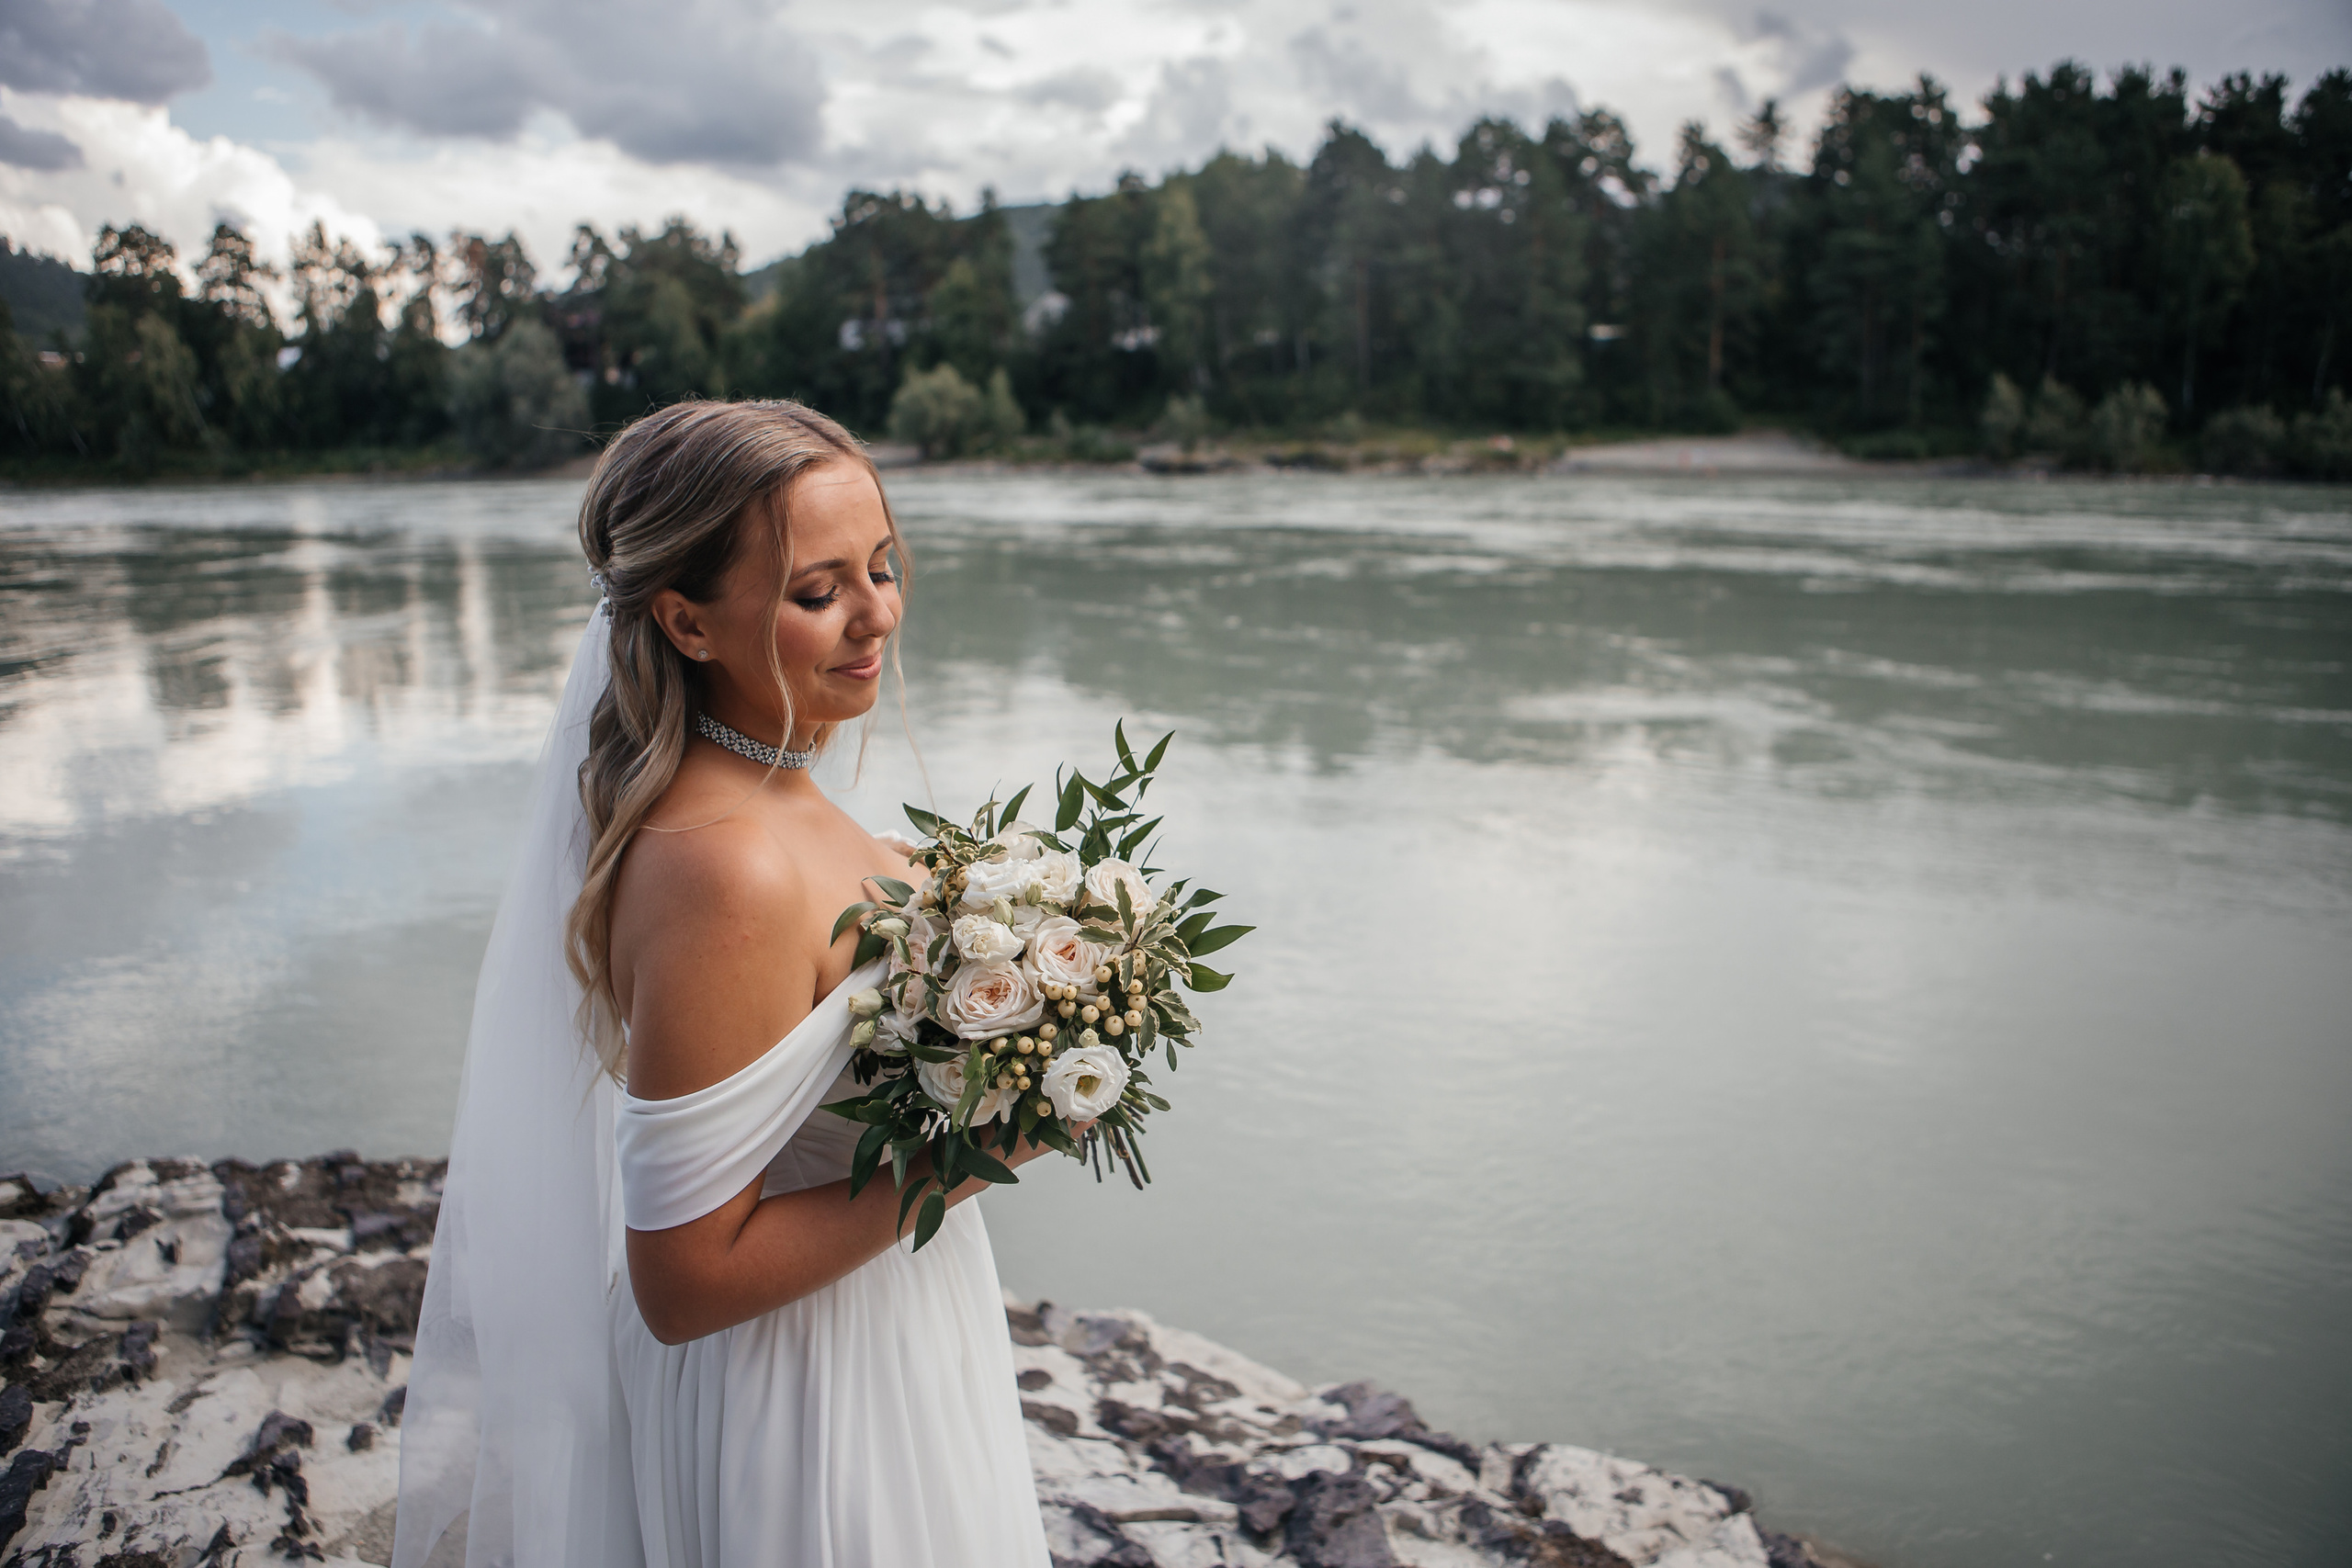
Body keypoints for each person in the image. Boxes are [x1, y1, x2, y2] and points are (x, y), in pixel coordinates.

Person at [392, 400, 1057, 1567]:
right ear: (687, 623)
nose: (876, 617)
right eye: (819, 592)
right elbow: (686, 1279)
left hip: (884, 1326)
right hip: (804, 1395)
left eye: (884, 568)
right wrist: (983, 1151)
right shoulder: (722, 868)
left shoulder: (774, 790)